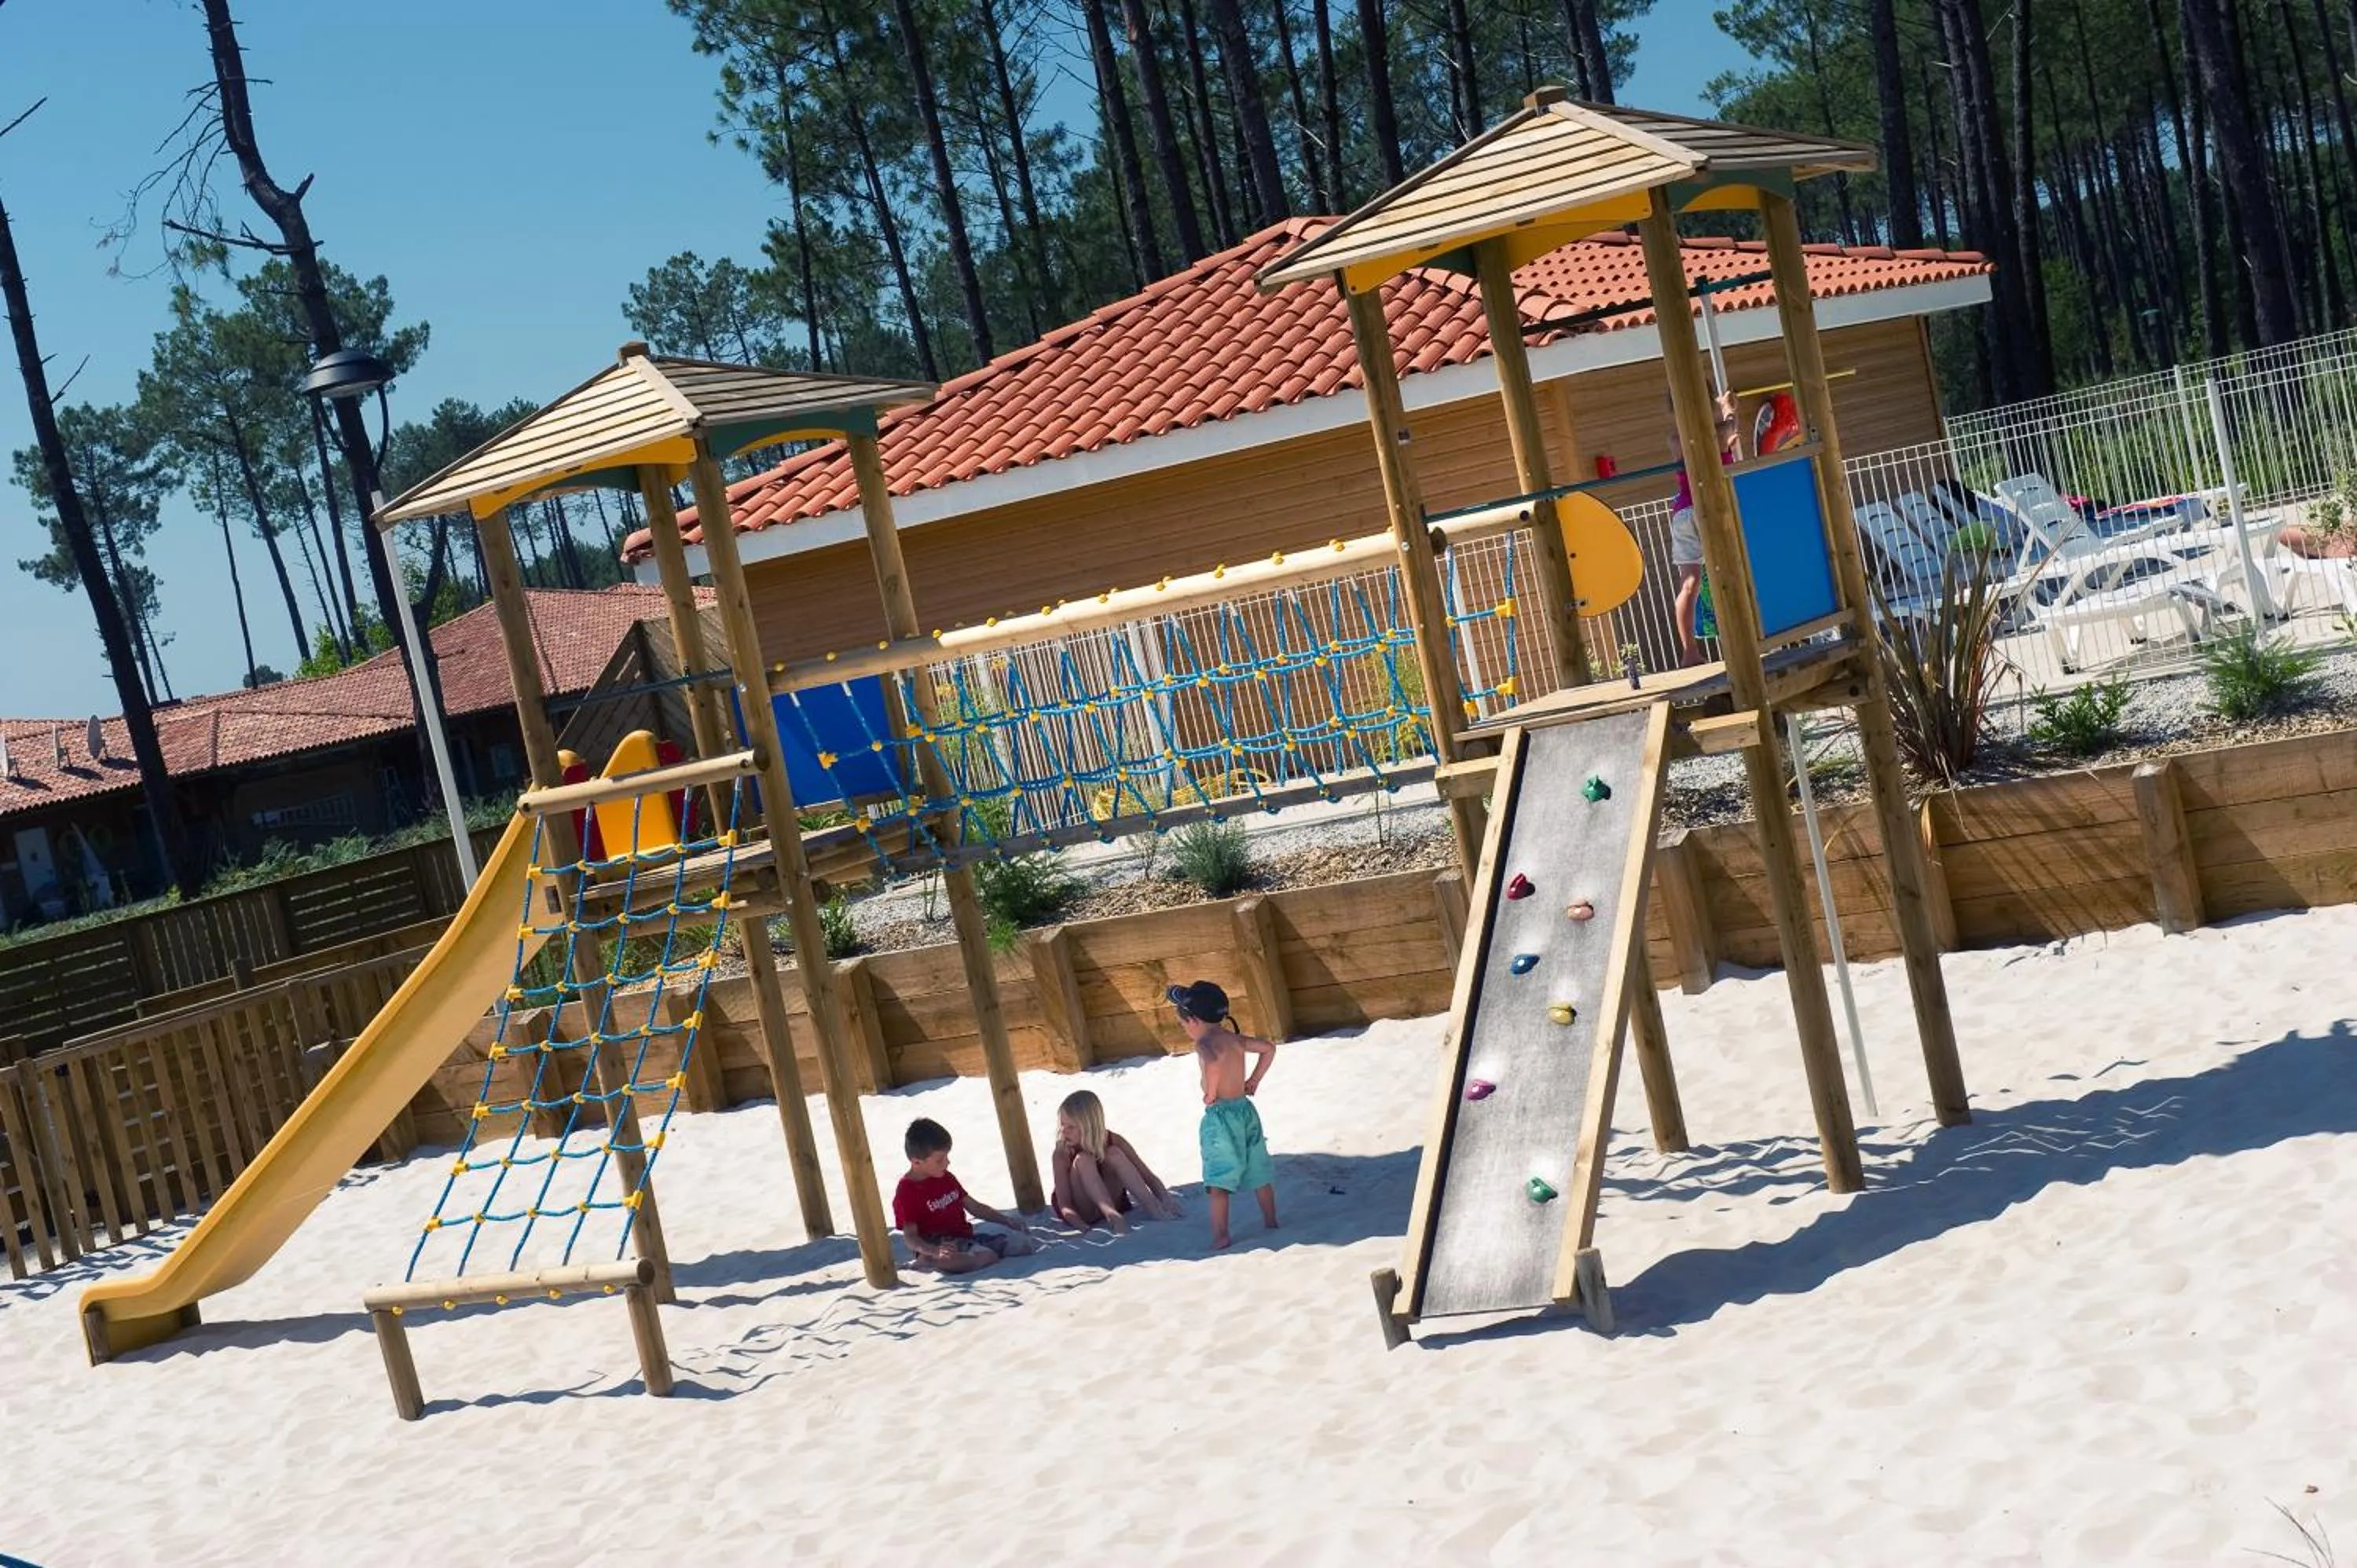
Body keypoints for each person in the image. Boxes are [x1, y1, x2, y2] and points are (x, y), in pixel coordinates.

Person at [1165, 980, 1277, 1249]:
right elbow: (1269, 1048)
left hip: (1221, 1115)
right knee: (1259, 1168)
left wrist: (1210, 1093)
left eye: (1183, 1025)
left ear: (1192, 1020)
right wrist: (1254, 1080)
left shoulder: (1204, 1044)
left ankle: (1221, 1235)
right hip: (1245, 1110)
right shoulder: (1234, 1039)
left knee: (1218, 1178)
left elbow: (1213, 1063)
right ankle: (1271, 1221)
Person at [893, 1117, 1038, 1274]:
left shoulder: (946, 1177)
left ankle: (961, 1257)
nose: (947, 1163)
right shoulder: (907, 1190)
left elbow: (975, 1207)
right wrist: (932, 1251)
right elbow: (910, 1238)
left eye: (947, 1156)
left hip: (964, 1237)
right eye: (940, 1159)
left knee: (1023, 1245)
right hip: (937, 1244)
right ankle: (928, 1261)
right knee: (987, 1257)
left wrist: (1006, 1220)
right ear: (916, 1162)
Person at [1666, 387, 1743, 667]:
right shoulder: (1720, 431)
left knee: (1689, 584)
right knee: (1734, 570)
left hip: (1684, 511)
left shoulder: (1675, 440)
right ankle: (1741, 640)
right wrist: (1727, 407)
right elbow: (1730, 425)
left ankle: (1689, 652)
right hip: (1711, 507)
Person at [1051, 1090, 1180, 1233]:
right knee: (1083, 1160)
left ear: (1090, 1126)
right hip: (1085, 1211)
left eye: (1071, 1127)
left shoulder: (1113, 1140)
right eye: (1062, 1124)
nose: (1064, 1131)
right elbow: (1065, 1205)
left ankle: (1153, 1208)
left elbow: (1148, 1176)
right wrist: (1082, 1227)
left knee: (1114, 1153)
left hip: (1114, 1200)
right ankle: (1113, 1216)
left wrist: (1166, 1199)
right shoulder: (1062, 1153)